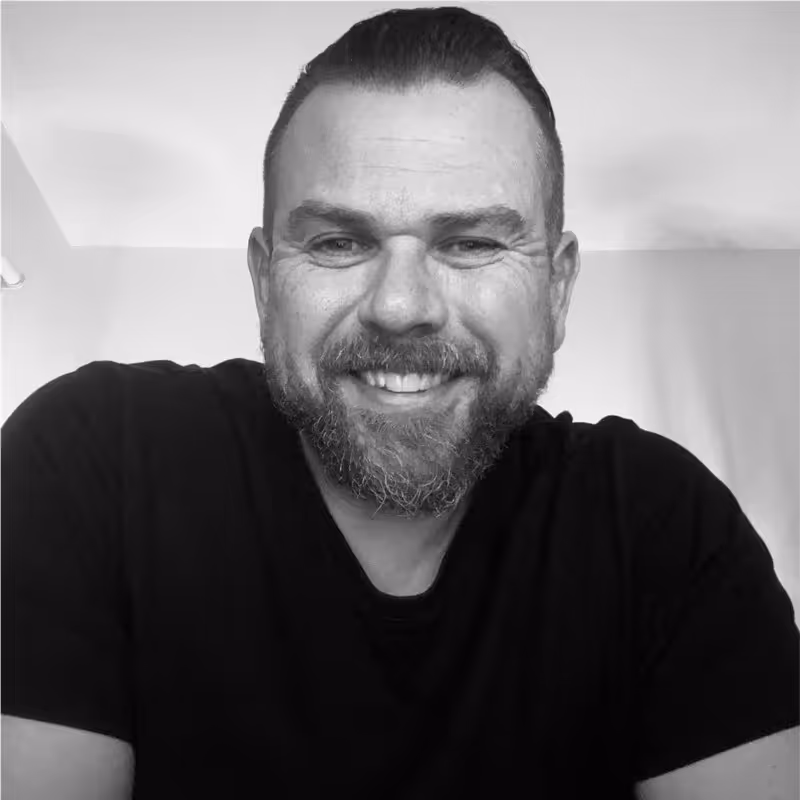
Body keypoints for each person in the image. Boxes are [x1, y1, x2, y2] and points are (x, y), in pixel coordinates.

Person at [2, 7, 797, 799]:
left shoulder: (661, 524)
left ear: (556, 290)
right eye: (338, 242)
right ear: (265, 282)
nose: (400, 306)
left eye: (472, 243)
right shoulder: (94, 458)